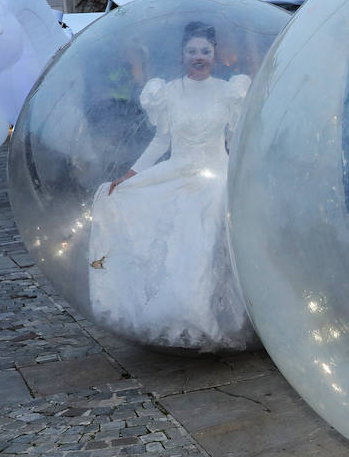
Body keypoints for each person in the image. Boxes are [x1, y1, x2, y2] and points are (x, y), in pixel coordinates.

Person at [86, 21, 254, 351]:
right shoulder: (167, 92)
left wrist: (246, 176)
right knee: (179, 251)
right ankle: (183, 322)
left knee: (205, 250)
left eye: (205, 50)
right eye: (192, 51)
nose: (199, 56)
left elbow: (235, 141)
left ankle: (208, 321)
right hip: (176, 174)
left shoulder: (229, 91)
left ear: (215, 54)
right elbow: (161, 140)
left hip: (215, 178)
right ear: (182, 54)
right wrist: (130, 177)